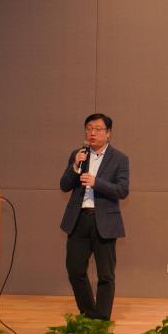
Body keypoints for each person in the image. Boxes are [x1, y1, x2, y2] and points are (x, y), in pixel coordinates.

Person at [59, 113, 129, 321]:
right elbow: (64, 185)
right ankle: (88, 314)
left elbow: (122, 190)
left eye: (98, 129)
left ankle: (102, 318)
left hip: (104, 221)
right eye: (89, 128)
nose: (92, 133)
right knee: (75, 270)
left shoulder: (120, 158)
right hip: (78, 219)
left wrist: (96, 182)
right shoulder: (78, 154)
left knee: (105, 274)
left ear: (108, 133)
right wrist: (74, 166)